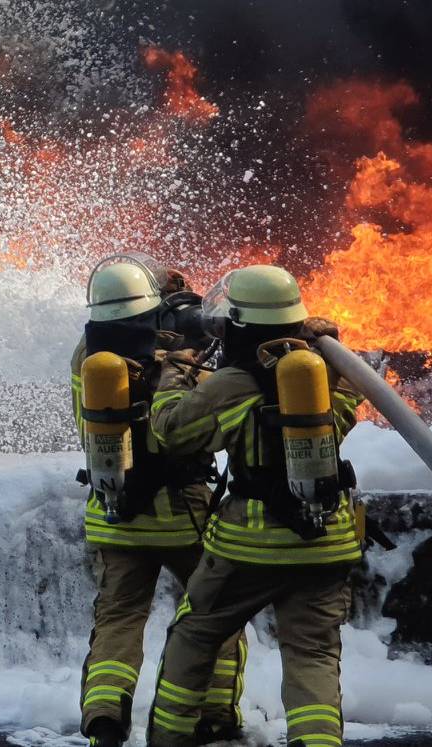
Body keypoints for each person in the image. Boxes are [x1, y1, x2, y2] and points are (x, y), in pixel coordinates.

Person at [141, 265, 365, 747]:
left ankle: (170, 738)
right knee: (313, 655)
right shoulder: (324, 373)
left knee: (196, 634)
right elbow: (347, 408)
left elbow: (174, 433)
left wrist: (175, 372)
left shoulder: (232, 383)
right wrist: (330, 350)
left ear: (241, 324)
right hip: (326, 540)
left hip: (249, 546)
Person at [73, 256, 246, 747]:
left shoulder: (88, 358)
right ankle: (215, 715)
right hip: (181, 515)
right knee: (215, 617)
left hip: (114, 511)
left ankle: (104, 718)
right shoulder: (178, 359)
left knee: (118, 621)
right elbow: (208, 423)